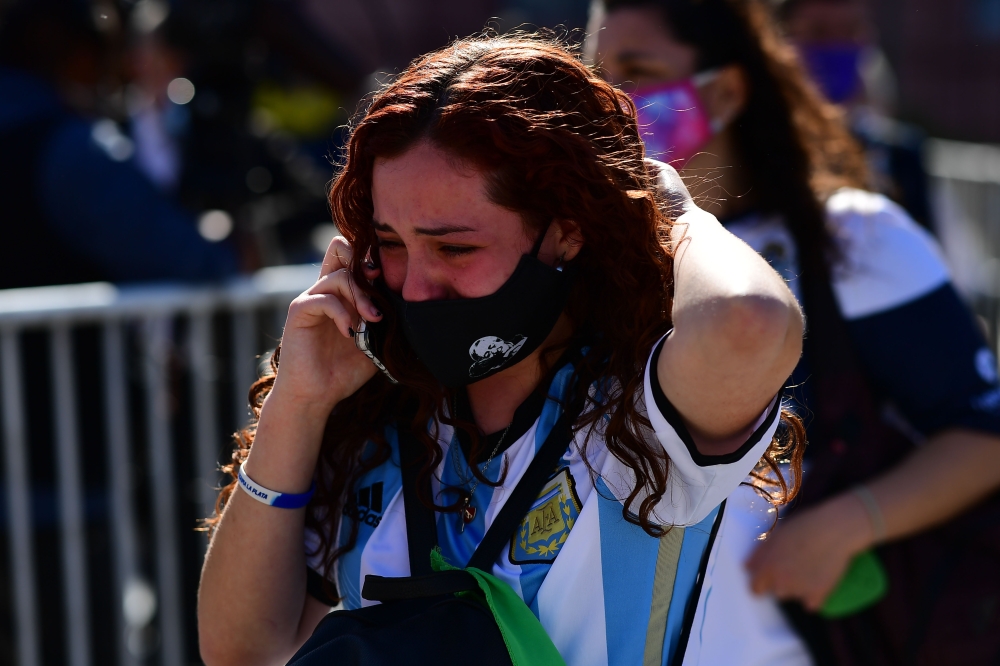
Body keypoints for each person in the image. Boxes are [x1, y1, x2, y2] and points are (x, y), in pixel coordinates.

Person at [198, 33, 805, 666]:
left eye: (455, 248)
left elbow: (749, 323)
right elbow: (242, 651)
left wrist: (658, 204)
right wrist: (298, 400)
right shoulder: (369, 405)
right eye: (391, 242)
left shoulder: (641, 408)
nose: (418, 286)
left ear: (567, 231)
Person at [591, 0, 1000, 664]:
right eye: (600, 80)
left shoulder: (854, 237)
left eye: (638, 71)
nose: (616, 103)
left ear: (726, 89)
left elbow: (985, 434)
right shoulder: (581, 262)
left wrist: (851, 522)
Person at [0, 0, 239, 288]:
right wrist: (228, 254)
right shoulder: (73, 148)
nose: (110, 72)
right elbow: (184, 256)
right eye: (103, 49)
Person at [778, 0, 935, 231]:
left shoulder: (897, 157)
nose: (837, 45)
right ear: (779, 43)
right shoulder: (756, 145)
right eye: (818, 33)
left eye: (850, 31)